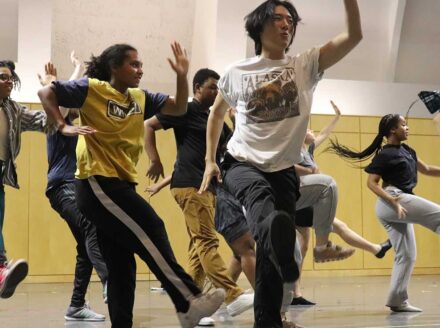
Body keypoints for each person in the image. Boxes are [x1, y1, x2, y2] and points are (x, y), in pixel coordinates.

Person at [38, 42, 224, 328]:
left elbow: (176, 109)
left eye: (140, 64)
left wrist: (181, 76)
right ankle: (187, 300)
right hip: (97, 184)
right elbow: (46, 92)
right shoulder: (93, 88)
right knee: (152, 228)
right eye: (133, 64)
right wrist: (63, 125)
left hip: (121, 184)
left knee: (122, 266)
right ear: (114, 67)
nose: (140, 69)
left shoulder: (139, 96)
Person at [199, 0, 362, 326]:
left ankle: (269, 320)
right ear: (259, 27)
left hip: (284, 171)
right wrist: (208, 161)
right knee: (263, 210)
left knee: (272, 257)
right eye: (278, 19)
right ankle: (280, 243)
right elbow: (216, 113)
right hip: (241, 163)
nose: (287, 25)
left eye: (291, 20)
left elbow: (354, 35)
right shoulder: (236, 72)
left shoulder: (306, 65)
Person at [144, 68, 253, 323]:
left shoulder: (214, 118)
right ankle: (233, 295)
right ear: (197, 89)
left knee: (197, 248)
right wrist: (154, 159)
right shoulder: (186, 111)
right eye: (212, 87)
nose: (217, 92)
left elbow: (232, 149)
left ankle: (191, 306)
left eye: (219, 88)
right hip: (192, 186)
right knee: (206, 242)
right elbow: (149, 124)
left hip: (206, 189)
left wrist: (238, 118)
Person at [329, 114, 440, 312]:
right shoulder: (385, 154)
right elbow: (371, 183)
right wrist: (392, 201)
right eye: (403, 125)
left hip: (396, 204)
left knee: (406, 255)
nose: (408, 128)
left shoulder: (408, 150)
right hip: (392, 199)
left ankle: (397, 300)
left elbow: (428, 169)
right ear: (392, 130)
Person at [292, 100, 392, 306]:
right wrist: (308, 171)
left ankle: (295, 293)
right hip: (300, 199)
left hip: (304, 203)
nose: (313, 131)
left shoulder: (307, 149)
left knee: (303, 247)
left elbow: (324, 135)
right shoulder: (294, 149)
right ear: (301, 132)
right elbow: (288, 166)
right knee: (337, 226)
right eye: (308, 129)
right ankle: (375, 249)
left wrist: (336, 117)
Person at [38, 54, 108, 321]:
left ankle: (76, 306)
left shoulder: (69, 122)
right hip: (61, 187)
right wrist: (59, 79)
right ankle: (109, 280)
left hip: (73, 186)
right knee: (92, 225)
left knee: (85, 245)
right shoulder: (56, 123)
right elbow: (61, 98)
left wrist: (77, 66)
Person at [0, 60, 47, 298]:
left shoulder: (14, 110)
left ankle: (0, 269)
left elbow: (45, 122)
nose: (8, 81)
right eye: (2, 77)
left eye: (10, 78)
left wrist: (57, 98)